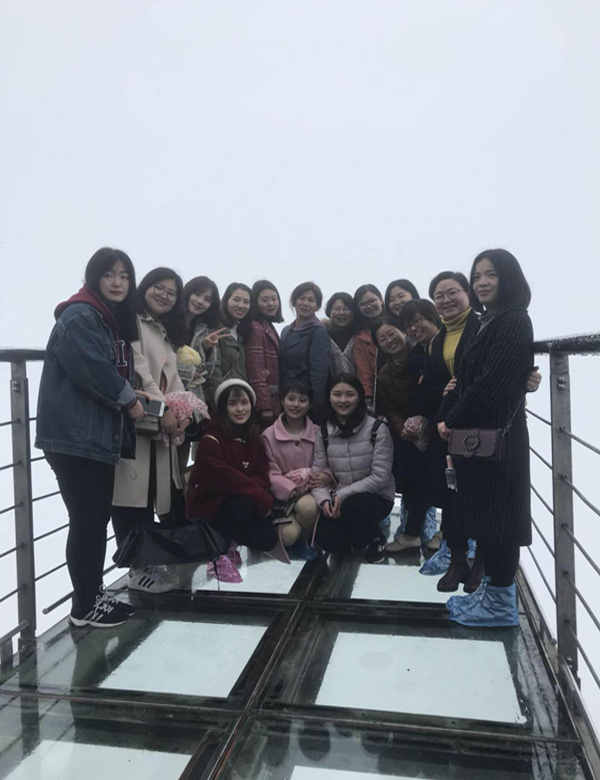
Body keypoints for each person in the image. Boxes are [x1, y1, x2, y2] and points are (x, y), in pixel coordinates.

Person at [36, 248, 144, 628]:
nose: (118, 282)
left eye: (124, 276)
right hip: (75, 438)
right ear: (93, 277)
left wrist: (128, 395)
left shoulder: (101, 318)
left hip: (89, 437)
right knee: (87, 521)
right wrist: (129, 399)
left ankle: (91, 596)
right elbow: (93, 369)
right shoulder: (81, 315)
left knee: (93, 520)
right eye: (109, 274)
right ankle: (85, 605)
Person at [437, 249, 534, 627]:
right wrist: (450, 411)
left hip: (500, 440)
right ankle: (492, 595)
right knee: (490, 520)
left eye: (490, 274)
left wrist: (451, 419)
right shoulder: (490, 320)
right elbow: (465, 379)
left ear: (508, 277)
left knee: (503, 522)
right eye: (477, 276)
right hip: (483, 437)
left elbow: (492, 384)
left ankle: (500, 606)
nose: (481, 282)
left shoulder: (514, 321)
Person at [112, 267, 190, 594]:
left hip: (158, 426)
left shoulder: (163, 330)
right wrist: (165, 409)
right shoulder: (131, 320)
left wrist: (184, 411)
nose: (164, 295)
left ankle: (149, 563)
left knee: (156, 495)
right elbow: (139, 371)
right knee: (131, 498)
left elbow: (174, 378)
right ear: (145, 286)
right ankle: (136, 568)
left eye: (171, 293)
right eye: (159, 287)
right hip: (136, 423)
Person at [186, 379, 280, 582]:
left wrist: (253, 491)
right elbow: (223, 478)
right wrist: (257, 495)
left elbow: (262, 473)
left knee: (268, 538)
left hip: (241, 504)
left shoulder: (252, 437)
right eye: (233, 403)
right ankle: (218, 554)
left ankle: (232, 542)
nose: (240, 409)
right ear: (223, 408)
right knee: (242, 503)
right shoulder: (211, 439)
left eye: (244, 403)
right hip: (211, 508)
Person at [311, 374, 396, 563]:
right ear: (329, 397)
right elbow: (317, 475)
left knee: (355, 508)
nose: (343, 400)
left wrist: (341, 495)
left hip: (376, 496)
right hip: (340, 497)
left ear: (359, 397)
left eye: (349, 394)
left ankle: (376, 538)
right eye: (337, 394)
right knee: (329, 540)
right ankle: (355, 536)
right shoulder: (323, 432)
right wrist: (324, 502)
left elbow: (380, 477)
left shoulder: (378, 429)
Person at [371, 316, 434, 553]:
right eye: (383, 339)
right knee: (411, 478)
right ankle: (412, 532)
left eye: (392, 333)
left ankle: (447, 535)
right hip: (409, 433)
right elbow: (390, 409)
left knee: (443, 480)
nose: (389, 340)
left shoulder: (425, 355)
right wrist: (403, 429)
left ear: (403, 331)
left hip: (438, 424)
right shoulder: (385, 374)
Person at [261, 381, 328, 559]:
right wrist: (289, 488)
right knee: (288, 536)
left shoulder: (319, 433)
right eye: (291, 399)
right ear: (282, 401)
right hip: (282, 499)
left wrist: (325, 476)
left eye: (302, 400)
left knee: (307, 508)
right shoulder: (268, 435)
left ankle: (307, 539)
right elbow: (269, 472)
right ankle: (296, 539)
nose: (295, 405)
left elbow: (330, 463)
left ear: (310, 405)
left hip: (311, 493)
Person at [280, 282, 330, 421]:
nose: (305, 303)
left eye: (311, 300)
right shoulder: (286, 331)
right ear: (294, 301)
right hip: (286, 396)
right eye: (301, 298)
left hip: (306, 399)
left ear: (317, 306)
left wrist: (316, 404)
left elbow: (319, 371)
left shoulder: (318, 332)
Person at [177, 276, 224, 403]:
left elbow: (207, 373)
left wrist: (205, 348)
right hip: (165, 390)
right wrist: (190, 373)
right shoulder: (168, 320)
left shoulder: (204, 330)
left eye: (207, 299)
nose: (200, 301)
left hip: (193, 399)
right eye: (197, 294)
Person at [204, 282, 252, 407]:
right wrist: (222, 402)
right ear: (226, 300)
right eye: (236, 300)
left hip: (239, 400)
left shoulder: (243, 333)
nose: (241, 305)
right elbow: (213, 371)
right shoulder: (215, 328)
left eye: (246, 302)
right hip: (222, 400)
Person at [246, 280, 283, 430]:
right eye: (265, 300)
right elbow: (256, 370)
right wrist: (264, 407)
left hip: (275, 400)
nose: (271, 304)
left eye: (274, 299)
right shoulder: (256, 328)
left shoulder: (268, 326)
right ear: (255, 303)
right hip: (267, 403)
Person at [352, 284, 385, 411]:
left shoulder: (398, 324)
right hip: (382, 392)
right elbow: (364, 372)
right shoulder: (361, 338)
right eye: (363, 304)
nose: (369, 306)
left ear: (381, 300)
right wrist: (368, 398)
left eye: (372, 301)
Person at [323, 292, 358, 376]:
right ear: (329, 312)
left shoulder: (360, 336)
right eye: (337, 309)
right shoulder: (322, 335)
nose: (341, 312)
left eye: (346, 309)